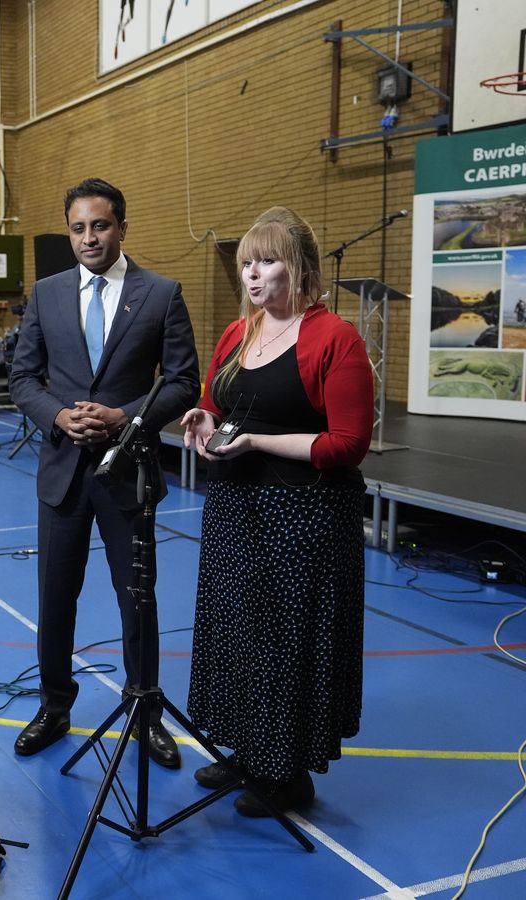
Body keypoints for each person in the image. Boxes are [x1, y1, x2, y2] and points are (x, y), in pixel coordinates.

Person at [180, 206, 373, 816]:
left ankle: (287, 775)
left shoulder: (335, 338)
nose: (252, 276)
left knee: (286, 641)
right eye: (246, 265)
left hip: (305, 516)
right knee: (240, 633)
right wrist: (202, 417)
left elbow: (348, 443)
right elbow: (216, 397)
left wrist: (259, 442)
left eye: (266, 262)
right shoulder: (238, 334)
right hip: (237, 510)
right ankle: (247, 750)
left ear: (301, 269)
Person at [8, 178, 200, 764]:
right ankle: (54, 706)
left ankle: (144, 708)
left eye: (100, 225)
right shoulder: (46, 293)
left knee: (137, 596)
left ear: (121, 226)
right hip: (63, 470)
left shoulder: (162, 294)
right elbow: (23, 378)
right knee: (55, 598)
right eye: (78, 228)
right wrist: (61, 416)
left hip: (128, 472)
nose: (89, 237)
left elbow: (185, 381)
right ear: (70, 233)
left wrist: (125, 416)